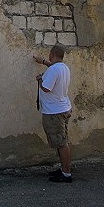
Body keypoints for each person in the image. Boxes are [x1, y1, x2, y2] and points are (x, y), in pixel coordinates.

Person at [34, 45, 72, 183]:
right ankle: (63, 169)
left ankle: (66, 173)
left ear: (52, 54)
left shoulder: (54, 70)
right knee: (63, 140)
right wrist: (43, 62)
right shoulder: (63, 67)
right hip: (63, 108)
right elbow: (53, 67)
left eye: (50, 54)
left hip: (54, 112)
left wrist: (40, 79)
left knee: (61, 143)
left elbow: (46, 88)